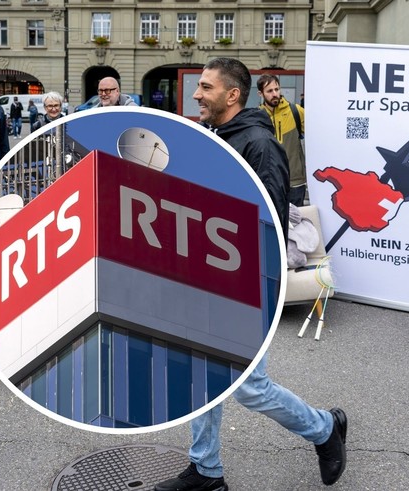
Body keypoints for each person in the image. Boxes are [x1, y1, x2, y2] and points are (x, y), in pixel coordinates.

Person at [154, 58, 348, 491]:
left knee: (248, 387)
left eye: (205, 87)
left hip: (242, 283)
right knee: (199, 374)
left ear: (232, 94)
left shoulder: (259, 144)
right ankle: (207, 471)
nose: (197, 94)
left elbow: (269, 223)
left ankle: (324, 429)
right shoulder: (214, 135)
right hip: (203, 277)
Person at [257, 73, 308, 206]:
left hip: (295, 181)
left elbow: (317, 136)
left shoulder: (296, 111)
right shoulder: (257, 117)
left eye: (277, 89)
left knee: (296, 225)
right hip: (270, 183)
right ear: (260, 94)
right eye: (269, 91)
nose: (275, 94)